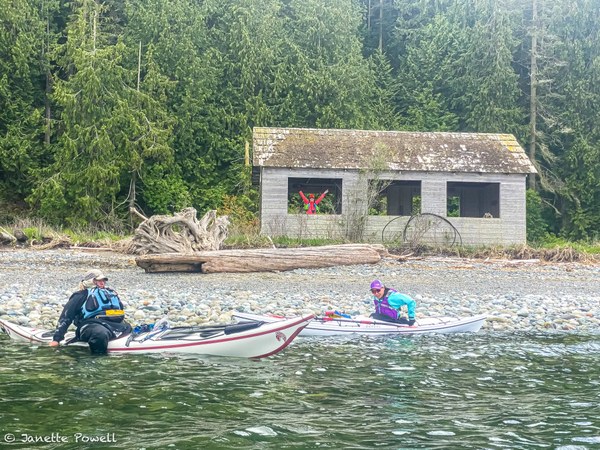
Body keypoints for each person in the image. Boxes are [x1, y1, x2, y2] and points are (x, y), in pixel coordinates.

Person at [49, 269, 132, 354]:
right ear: (91, 281)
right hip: (90, 325)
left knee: (128, 327)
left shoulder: (111, 294)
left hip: (115, 325)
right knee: (100, 333)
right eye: (98, 280)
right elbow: (66, 317)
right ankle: (98, 358)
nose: (102, 283)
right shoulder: (81, 295)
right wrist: (56, 339)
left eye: (103, 280)